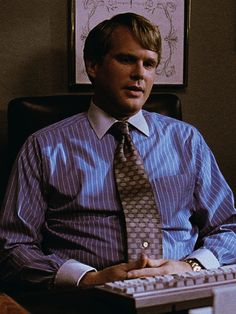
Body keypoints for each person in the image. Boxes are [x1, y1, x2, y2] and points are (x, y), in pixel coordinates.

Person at [0, 12, 235, 291]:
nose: (139, 74)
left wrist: (190, 266)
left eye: (149, 64)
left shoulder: (186, 141)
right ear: (93, 66)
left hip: (180, 290)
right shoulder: (44, 147)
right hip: (88, 297)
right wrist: (88, 278)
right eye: (126, 60)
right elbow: (14, 246)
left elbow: (229, 227)